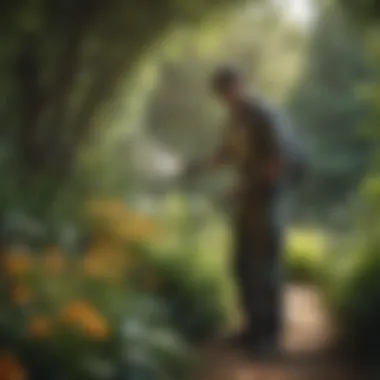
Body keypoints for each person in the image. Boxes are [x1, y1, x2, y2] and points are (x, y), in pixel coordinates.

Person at [183, 65, 307, 356]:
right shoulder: (235, 119)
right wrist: (198, 166)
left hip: (268, 200)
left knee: (264, 269)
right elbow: (226, 153)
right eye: (222, 94)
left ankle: (269, 338)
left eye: (230, 90)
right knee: (241, 264)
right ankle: (251, 329)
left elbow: (277, 161)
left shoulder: (265, 115)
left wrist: (245, 185)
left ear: (242, 85)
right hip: (248, 201)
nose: (227, 98)